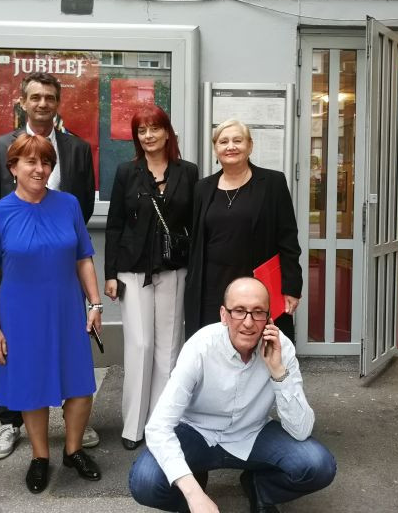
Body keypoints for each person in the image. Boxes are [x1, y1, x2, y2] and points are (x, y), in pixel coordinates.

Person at [129, 277, 336, 513]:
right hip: (197, 433)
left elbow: (301, 430)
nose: (248, 322)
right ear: (223, 315)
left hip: (252, 432)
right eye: (239, 311)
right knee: (145, 481)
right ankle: (193, 489)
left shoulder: (281, 347)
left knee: (318, 464)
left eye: (258, 312)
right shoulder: (201, 347)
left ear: (268, 317)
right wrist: (193, 494)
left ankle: (259, 488)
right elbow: (158, 427)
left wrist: (279, 372)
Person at [0, 70, 99, 458]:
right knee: (25, 372)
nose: (43, 103)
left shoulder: (76, 151)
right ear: (23, 102)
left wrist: (94, 300)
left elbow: (84, 218)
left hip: (62, 279)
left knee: (74, 374)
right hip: (20, 278)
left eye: (50, 96)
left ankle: (73, 442)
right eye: (35, 96)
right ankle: (15, 428)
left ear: (58, 102)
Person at [104, 104, 198, 451]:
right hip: (133, 268)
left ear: (167, 133)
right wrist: (110, 273)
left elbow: (194, 224)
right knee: (140, 345)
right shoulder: (127, 172)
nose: (148, 136)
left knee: (168, 349)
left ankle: (160, 424)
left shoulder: (187, 172)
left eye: (154, 128)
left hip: (174, 268)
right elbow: (114, 225)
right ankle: (133, 426)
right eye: (141, 131)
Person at [184, 119, 302, 338]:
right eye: (223, 142)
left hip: (257, 286)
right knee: (214, 346)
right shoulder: (202, 188)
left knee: (260, 345)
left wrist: (292, 286)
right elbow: (196, 242)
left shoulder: (272, 183)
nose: (231, 146)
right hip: (212, 287)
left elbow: (288, 239)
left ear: (250, 146)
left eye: (237, 141)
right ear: (215, 148)